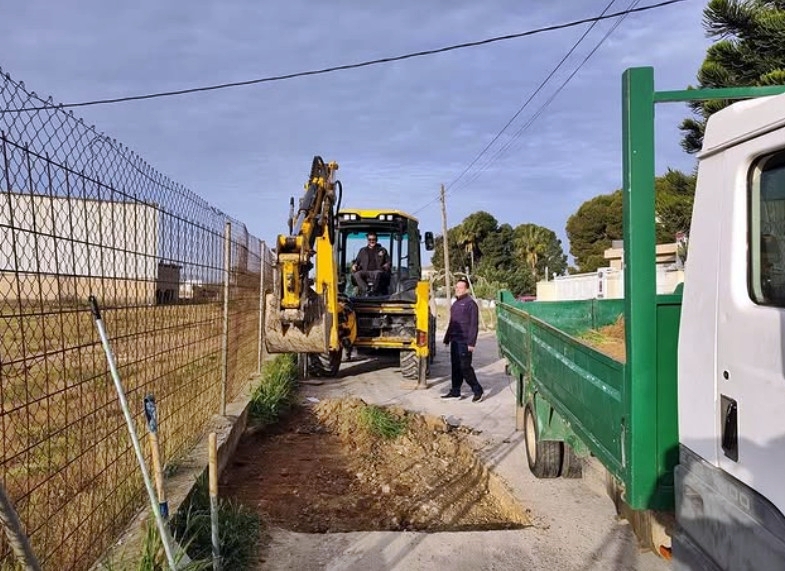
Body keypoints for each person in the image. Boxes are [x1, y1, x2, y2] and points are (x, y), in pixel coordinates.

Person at [441, 278, 484, 402]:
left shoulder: (471, 304)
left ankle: (478, 390)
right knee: (455, 367)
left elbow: (474, 325)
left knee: (465, 367)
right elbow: (452, 322)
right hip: (454, 340)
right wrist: (447, 338)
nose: (458, 289)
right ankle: (455, 392)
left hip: (464, 342)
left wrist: (471, 343)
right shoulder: (455, 304)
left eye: (460, 288)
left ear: (466, 289)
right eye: (456, 287)